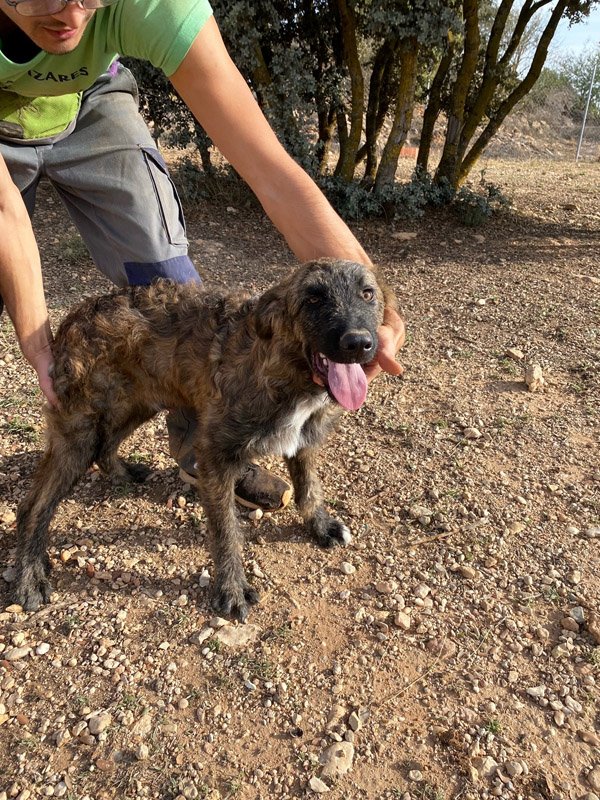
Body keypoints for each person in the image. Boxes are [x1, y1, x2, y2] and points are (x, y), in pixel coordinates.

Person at [0, 0, 405, 511]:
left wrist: (379, 306)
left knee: (166, 277)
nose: (72, 16)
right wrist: (38, 343)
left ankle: (207, 447)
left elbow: (270, 170)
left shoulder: (152, 5)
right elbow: (5, 212)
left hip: (90, 99)